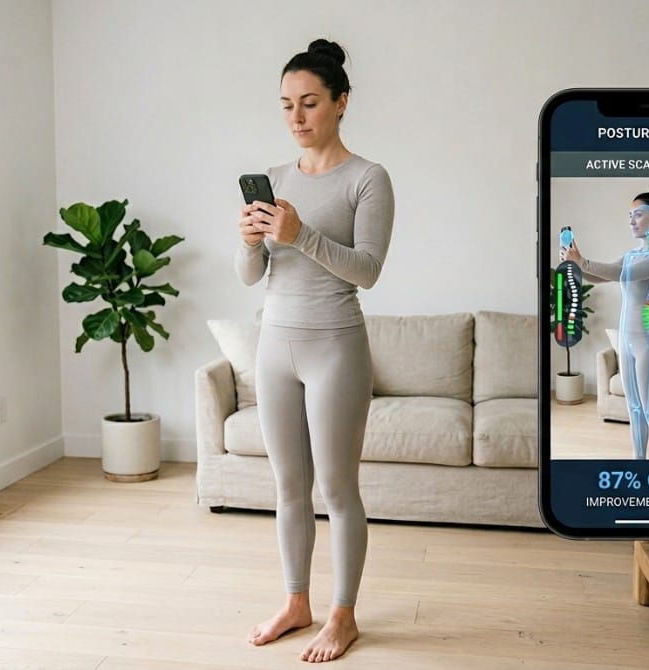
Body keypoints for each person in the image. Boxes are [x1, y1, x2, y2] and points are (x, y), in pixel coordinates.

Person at [234, 38, 394, 663]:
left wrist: (301, 235)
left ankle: (342, 615)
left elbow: (369, 271)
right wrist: (250, 240)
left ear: (340, 103)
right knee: (288, 487)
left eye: (309, 103)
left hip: (336, 348)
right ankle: (297, 602)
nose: (296, 117)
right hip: (274, 344)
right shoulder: (272, 180)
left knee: (337, 489)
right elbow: (251, 275)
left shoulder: (368, 179)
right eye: (286, 106)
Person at [564, 189, 649, 459]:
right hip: (628, 340)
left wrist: (583, 261)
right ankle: (639, 464)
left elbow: (619, 274)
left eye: (638, 215)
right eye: (629, 216)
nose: (631, 221)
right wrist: (575, 265)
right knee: (634, 409)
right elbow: (604, 278)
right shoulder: (632, 254)